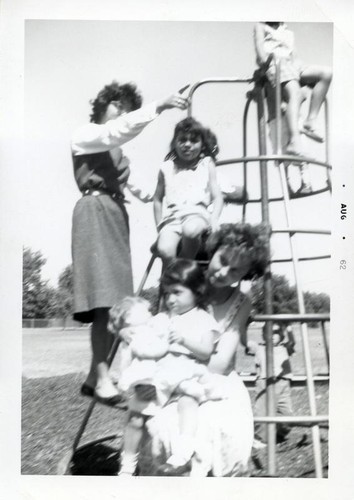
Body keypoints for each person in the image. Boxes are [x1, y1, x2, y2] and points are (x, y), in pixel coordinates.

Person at [71, 81, 188, 404]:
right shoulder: (87, 134)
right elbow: (116, 132)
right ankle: (102, 377)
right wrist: (159, 106)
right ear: (102, 105)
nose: (121, 112)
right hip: (94, 209)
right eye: (117, 105)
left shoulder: (116, 153)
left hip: (115, 213)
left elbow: (142, 190)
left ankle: (96, 376)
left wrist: (180, 194)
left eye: (127, 108)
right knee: (103, 303)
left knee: (118, 304)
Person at [133, 223, 269, 477]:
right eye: (222, 260)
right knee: (161, 426)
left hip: (215, 381)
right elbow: (161, 334)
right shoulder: (186, 282)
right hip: (171, 376)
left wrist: (182, 354)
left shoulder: (241, 302)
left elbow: (221, 362)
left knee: (219, 427)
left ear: (247, 273)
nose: (224, 272)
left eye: (236, 270)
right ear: (214, 250)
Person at [113, 260, 222, 476]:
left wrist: (184, 340)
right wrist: (124, 333)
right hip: (158, 376)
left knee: (187, 402)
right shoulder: (160, 318)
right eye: (167, 293)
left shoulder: (204, 319)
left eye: (178, 293)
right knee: (135, 416)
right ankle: (127, 464)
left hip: (186, 374)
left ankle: (182, 450)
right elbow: (139, 336)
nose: (171, 299)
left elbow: (206, 351)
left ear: (197, 291)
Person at [254, 22, 332, 155]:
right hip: (275, 63)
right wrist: (266, 66)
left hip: (292, 64)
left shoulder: (286, 29)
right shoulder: (261, 26)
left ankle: (310, 120)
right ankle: (294, 142)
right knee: (294, 93)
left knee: (326, 73)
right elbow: (260, 53)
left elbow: (295, 54)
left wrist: (303, 72)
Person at [153, 117, 224, 265]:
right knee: (165, 249)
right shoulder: (167, 167)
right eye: (182, 140)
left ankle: (182, 268)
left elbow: (217, 196)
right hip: (172, 218)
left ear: (202, 145)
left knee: (191, 231)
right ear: (174, 143)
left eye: (193, 141)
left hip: (197, 214)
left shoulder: (206, 164)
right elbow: (157, 199)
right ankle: (172, 280)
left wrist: (214, 218)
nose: (187, 145)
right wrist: (159, 225)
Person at [246, 322, 296, 445]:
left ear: (282, 335)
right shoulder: (258, 347)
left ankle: (279, 434)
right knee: (262, 411)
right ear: (263, 335)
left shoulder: (285, 347)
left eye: (276, 333)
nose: (272, 335)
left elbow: (292, 342)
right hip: (265, 382)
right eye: (269, 333)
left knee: (287, 414)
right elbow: (245, 342)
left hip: (283, 382)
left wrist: (289, 328)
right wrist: (244, 327)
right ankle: (260, 438)